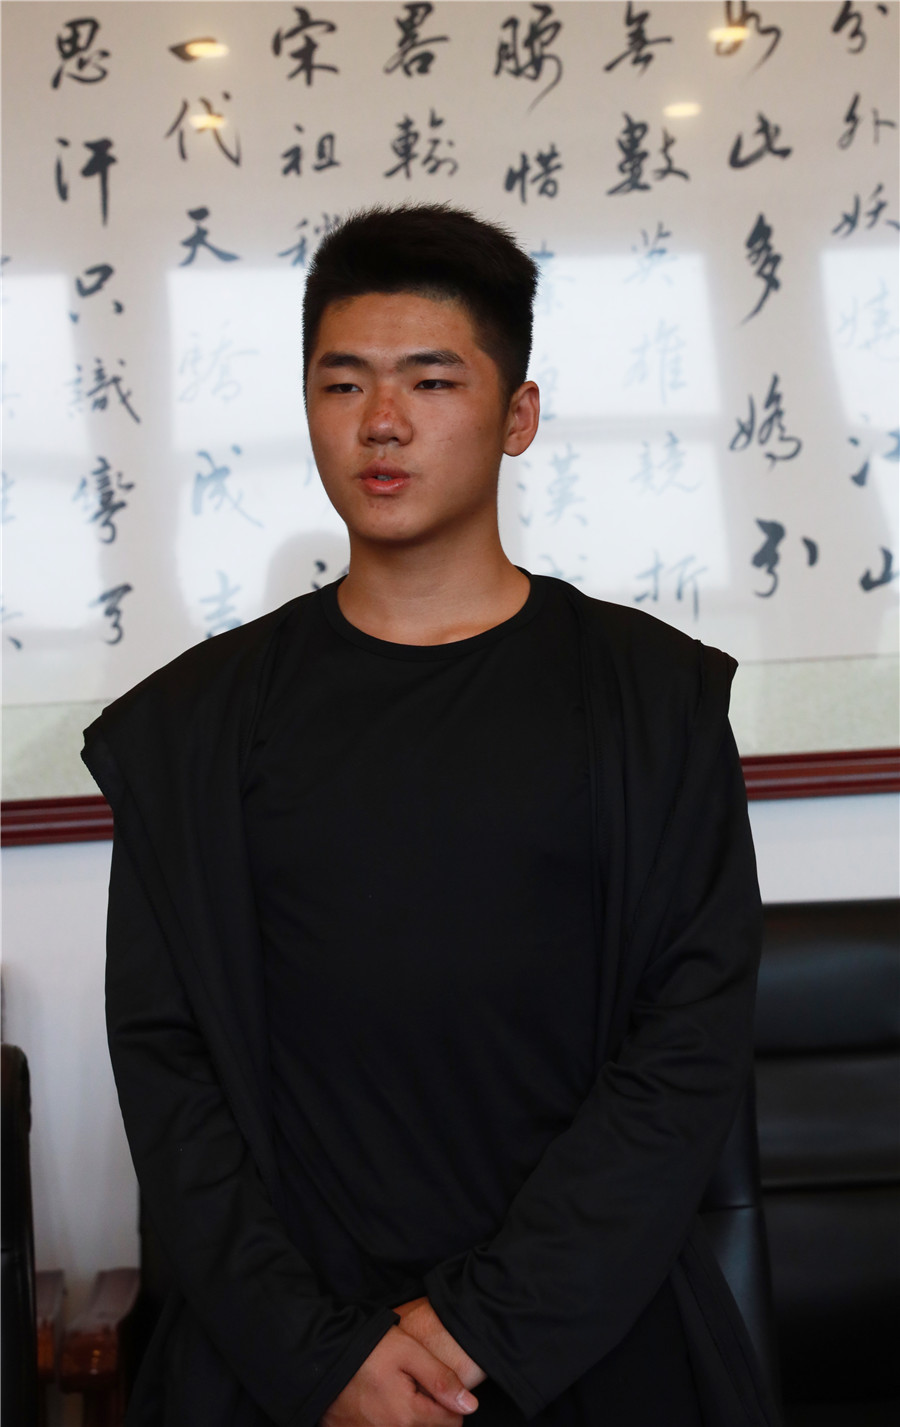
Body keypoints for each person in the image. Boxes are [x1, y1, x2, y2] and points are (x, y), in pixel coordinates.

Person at [82, 204, 778, 1427]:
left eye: (431, 379)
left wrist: (480, 1325)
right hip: (290, 1363)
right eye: (343, 382)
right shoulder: (194, 728)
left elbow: (687, 1046)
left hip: (586, 1338)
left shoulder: (653, 704)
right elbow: (167, 1065)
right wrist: (320, 1354)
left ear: (519, 415)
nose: (382, 420)